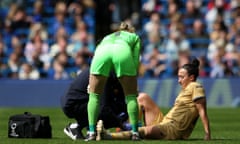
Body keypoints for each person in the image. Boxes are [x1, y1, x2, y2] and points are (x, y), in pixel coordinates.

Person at [96, 58, 211, 140]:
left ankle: (109, 136)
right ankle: (124, 128)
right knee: (142, 97)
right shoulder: (187, 89)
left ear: (191, 77)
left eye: (182, 77)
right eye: (178, 77)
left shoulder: (196, 86)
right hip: (166, 123)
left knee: (142, 131)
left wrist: (207, 133)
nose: (179, 80)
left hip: (172, 130)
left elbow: (202, 111)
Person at [86, 22, 141, 141]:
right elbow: (136, 61)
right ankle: (135, 133)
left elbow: (97, 53)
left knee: (94, 95)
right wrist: (132, 82)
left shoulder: (108, 37)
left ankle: (91, 132)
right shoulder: (134, 37)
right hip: (122, 52)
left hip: (102, 53)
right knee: (131, 97)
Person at [61, 67, 129, 140]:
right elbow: (104, 108)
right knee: (105, 111)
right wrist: (122, 125)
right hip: (73, 104)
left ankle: (85, 128)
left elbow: (121, 103)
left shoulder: (113, 72)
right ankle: (83, 127)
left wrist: (127, 117)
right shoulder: (105, 75)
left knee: (116, 108)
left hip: (79, 101)